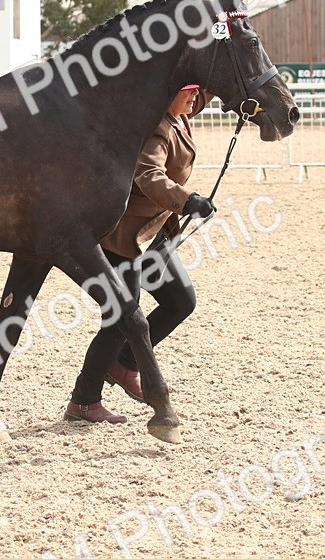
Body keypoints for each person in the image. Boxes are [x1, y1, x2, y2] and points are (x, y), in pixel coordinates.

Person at [65, 83, 216, 424]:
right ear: (168, 94)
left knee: (181, 302)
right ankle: (83, 401)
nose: (194, 97)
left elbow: (206, 88)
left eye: (196, 93)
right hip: (125, 240)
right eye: (188, 91)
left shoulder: (182, 114)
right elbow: (148, 175)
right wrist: (188, 200)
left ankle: (124, 364)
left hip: (153, 238)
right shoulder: (157, 129)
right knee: (121, 320)